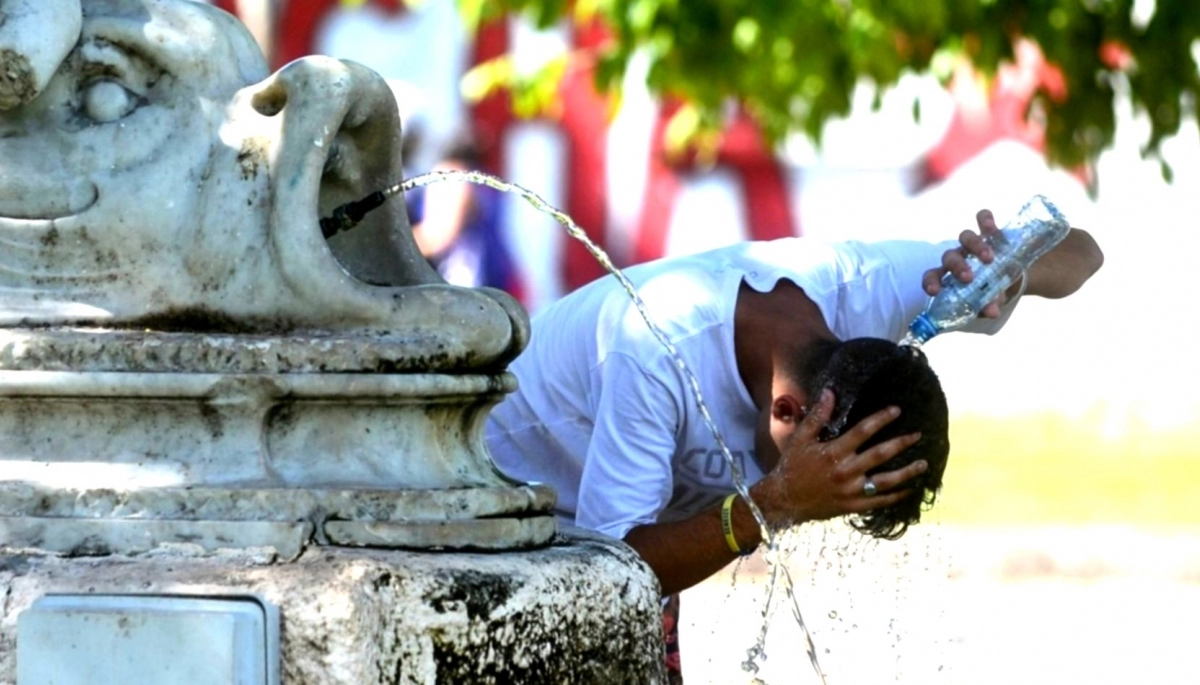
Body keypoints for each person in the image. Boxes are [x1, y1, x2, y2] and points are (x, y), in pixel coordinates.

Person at [485, 208, 1103, 680]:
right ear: (787, 410)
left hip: (638, 550)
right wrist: (774, 503)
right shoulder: (655, 347)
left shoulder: (872, 298)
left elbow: (1085, 254)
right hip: (496, 512)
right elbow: (612, 572)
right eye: (819, 486)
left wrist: (1014, 268)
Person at [407, 130, 525, 302]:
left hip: (466, 283)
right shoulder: (482, 178)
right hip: (495, 282)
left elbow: (439, 234)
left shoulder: (452, 177)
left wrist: (389, 248)